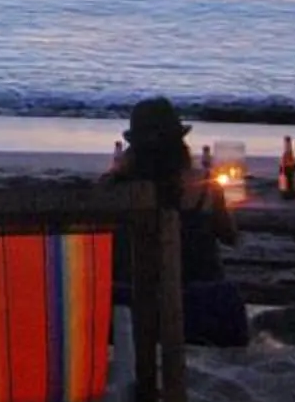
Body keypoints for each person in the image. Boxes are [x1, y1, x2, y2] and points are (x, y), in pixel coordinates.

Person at [102, 95, 245, 346]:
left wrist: (117, 171)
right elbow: (231, 237)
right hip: (197, 310)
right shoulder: (204, 187)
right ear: (179, 143)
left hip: (127, 307)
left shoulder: (113, 189)